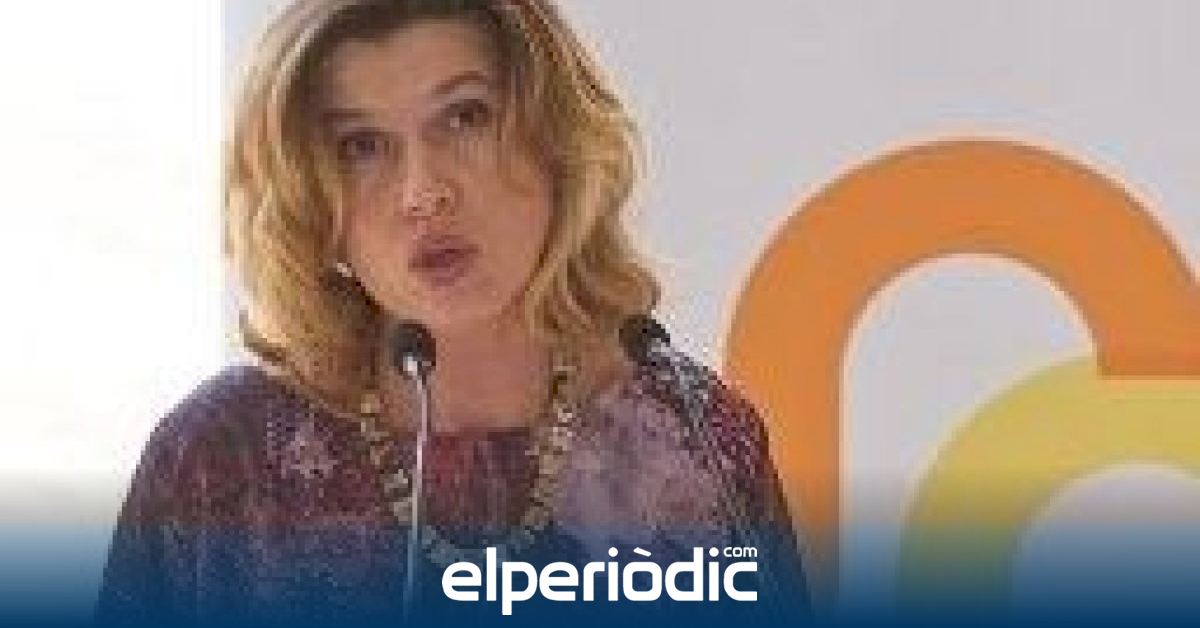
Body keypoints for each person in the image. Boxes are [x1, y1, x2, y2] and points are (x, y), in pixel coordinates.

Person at [95, 0, 809, 625]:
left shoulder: (694, 434)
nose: (423, 192)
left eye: (465, 117)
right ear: (313, 203)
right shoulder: (224, 458)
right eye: (361, 147)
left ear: (558, 142)